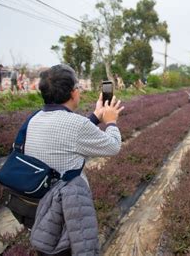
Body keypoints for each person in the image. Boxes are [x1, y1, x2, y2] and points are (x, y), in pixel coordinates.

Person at [25, 64, 124, 255]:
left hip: (40, 204)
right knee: (67, 248)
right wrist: (111, 121)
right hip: (67, 208)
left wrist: (96, 116)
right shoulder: (75, 125)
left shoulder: (35, 118)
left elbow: (68, 132)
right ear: (73, 92)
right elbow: (113, 146)